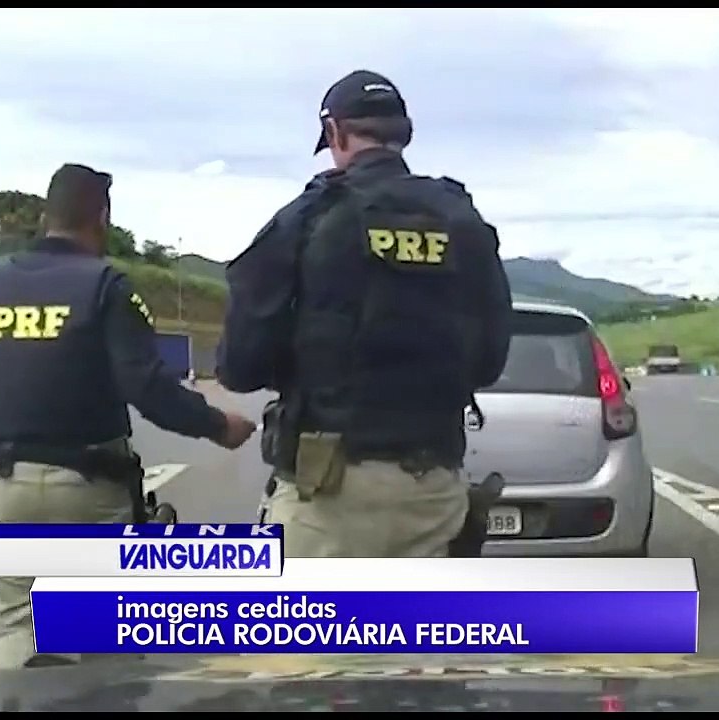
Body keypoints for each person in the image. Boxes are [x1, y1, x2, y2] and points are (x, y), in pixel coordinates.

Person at [0, 163, 256, 670]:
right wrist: (220, 426)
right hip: (90, 487)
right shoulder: (106, 284)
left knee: (19, 620)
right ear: (102, 217)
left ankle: (10, 700)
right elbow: (146, 386)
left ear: (47, 215)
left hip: (9, 483)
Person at [217, 69, 513, 558]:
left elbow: (239, 367)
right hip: (433, 490)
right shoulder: (462, 220)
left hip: (329, 492)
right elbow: (488, 362)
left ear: (334, 132)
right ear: (403, 133)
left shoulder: (309, 218)